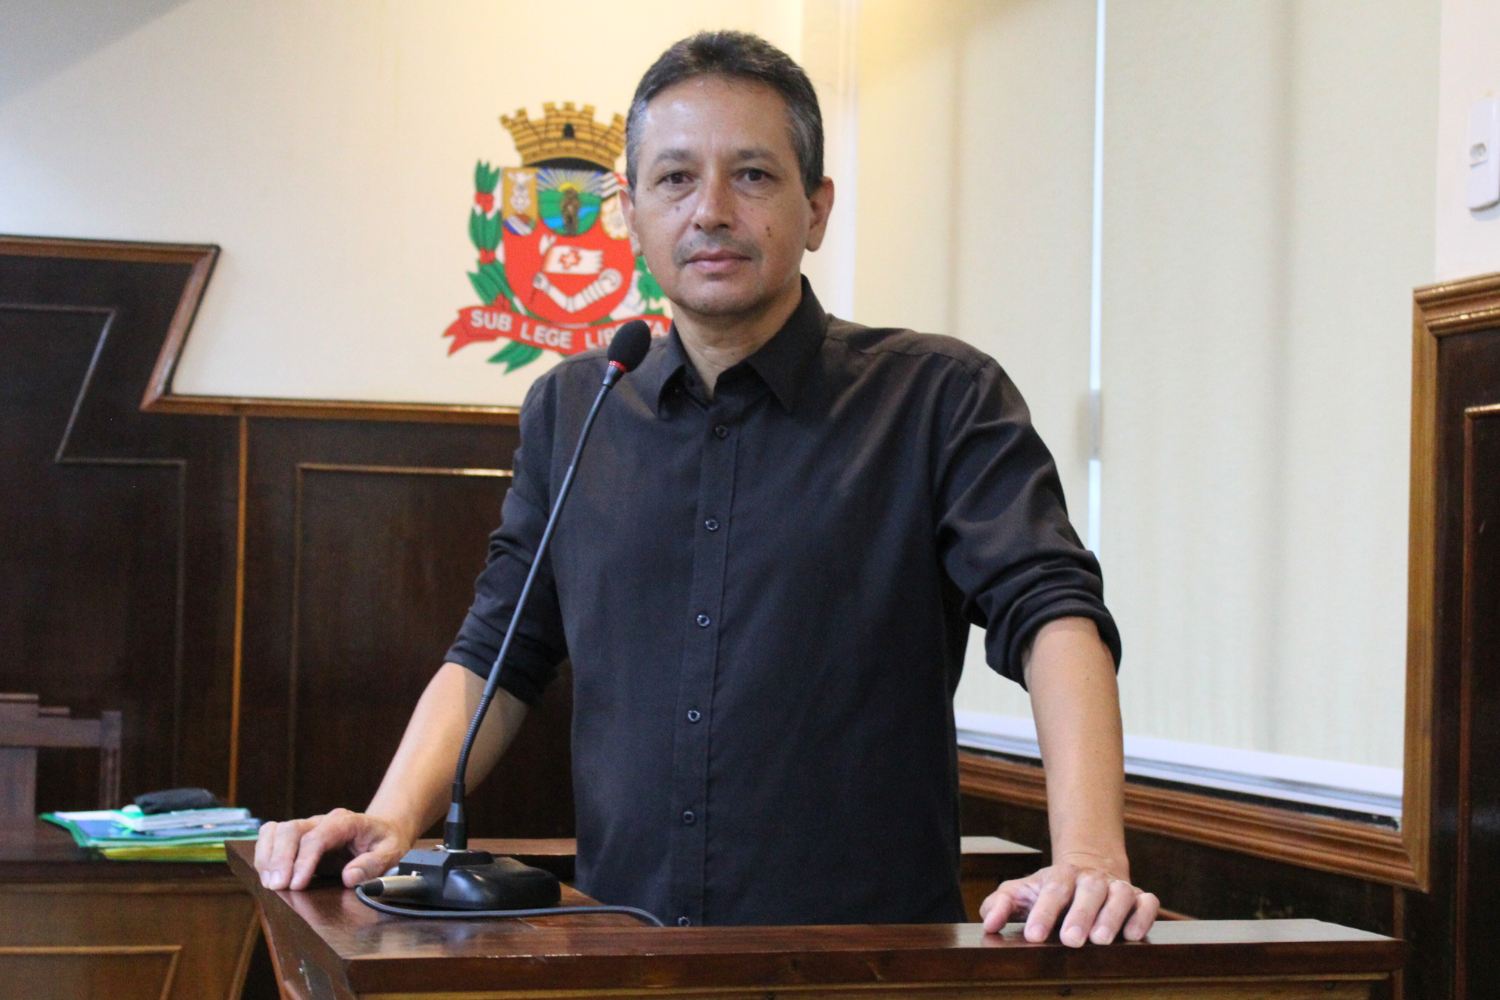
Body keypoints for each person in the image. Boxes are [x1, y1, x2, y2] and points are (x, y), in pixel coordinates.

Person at [256, 30, 1158, 946]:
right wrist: (391, 817)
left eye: (753, 175)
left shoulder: (937, 396)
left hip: (868, 967)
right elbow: (498, 649)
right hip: (631, 958)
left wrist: (1089, 854)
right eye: (676, 178)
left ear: (816, 208)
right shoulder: (575, 408)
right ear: (631, 211)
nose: (711, 210)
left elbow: (1052, 611)